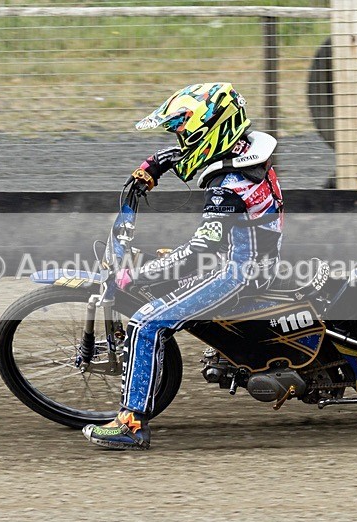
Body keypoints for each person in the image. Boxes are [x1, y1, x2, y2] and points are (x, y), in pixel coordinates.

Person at [82, 82, 284, 450]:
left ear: (208, 131)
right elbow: (192, 155)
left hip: (237, 274)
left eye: (184, 132)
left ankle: (131, 426)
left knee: (146, 324)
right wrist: (154, 166)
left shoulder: (228, 187)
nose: (181, 140)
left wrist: (139, 275)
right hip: (255, 260)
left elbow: (197, 250)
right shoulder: (247, 149)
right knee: (165, 264)